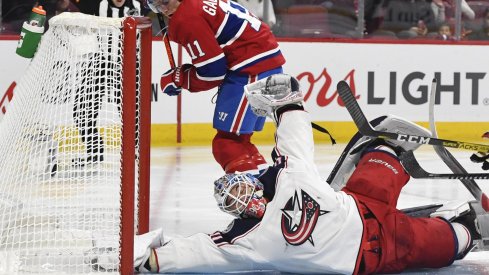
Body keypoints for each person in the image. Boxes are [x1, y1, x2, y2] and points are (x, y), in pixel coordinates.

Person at [92, 74, 487, 273]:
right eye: (235, 204)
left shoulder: (277, 191)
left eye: (239, 191)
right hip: (378, 249)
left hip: (360, 203)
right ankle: (470, 226)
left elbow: (295, 139)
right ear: (236, 214)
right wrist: (149, 260)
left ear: (251, 181)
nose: (243, 200)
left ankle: (389, 148)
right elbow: (192, 251)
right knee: (449, 241)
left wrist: (288, 105)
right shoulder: (242, 240)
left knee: (379, 156)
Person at [148, 0, 286, 175]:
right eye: (157, 6)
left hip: (251, 70)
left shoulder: (186, 16)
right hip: (264, 65)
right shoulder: (196, 4)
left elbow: (212, 72)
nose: (164, 9)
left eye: (166, 2)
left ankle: (251, 200)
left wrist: (178, 78)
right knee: (240, 141)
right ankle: (268, 191)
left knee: (227, 145)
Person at [71, 0, 141, 167]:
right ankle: (93, 152)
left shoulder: (136, 6)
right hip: (101, 63)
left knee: (131, 113)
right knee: (81, 109)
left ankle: (134, 151)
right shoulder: (99, 4)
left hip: (128, 65)